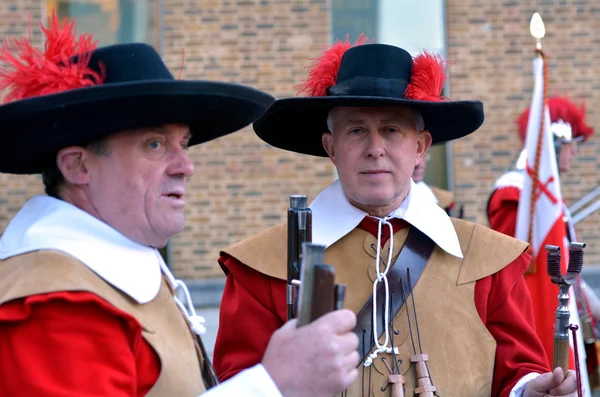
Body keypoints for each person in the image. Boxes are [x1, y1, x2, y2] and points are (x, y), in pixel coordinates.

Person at [0, 13, 360, 397]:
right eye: (155, 144)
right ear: (78, 165)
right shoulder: (53, 302)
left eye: (183, 144)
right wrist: (272, 385)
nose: (185, 167)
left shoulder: (95, 274)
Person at [213, 37, 578, 396]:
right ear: (331, 148)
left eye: (391, 130)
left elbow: (517, 372)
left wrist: (530, 390)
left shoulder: (490, 258)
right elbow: (241, 383)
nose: (375, 149)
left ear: (419, 147)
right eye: (356, 131)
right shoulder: (262, 265)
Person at [487, 95, 599, 389]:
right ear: (554, 146)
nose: (573, 154)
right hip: (535, 313)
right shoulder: (515, 193)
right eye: (570, 146)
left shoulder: (544, 196)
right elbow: (517, 270)